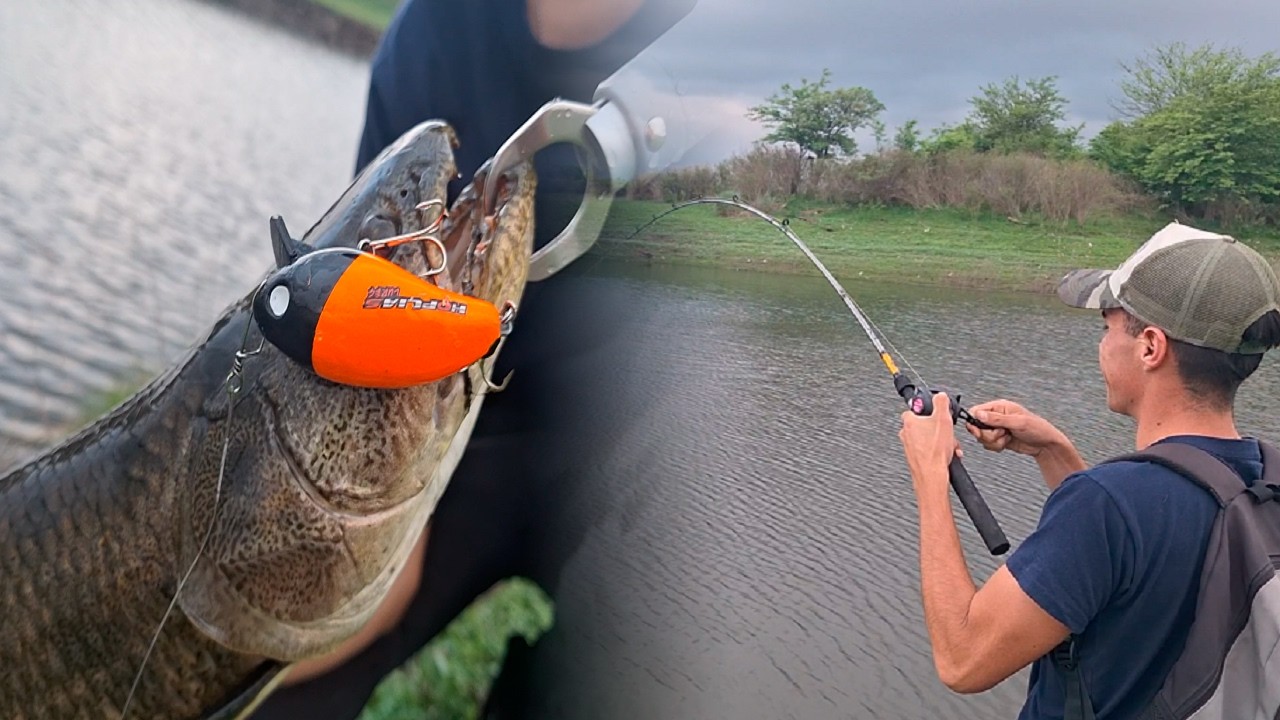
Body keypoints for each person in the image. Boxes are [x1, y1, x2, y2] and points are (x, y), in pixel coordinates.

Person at [898, 221, 1280, 718]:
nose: (1101, 345)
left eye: (1107, 327)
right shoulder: (1263, 480)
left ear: (1150, 347)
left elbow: (963, 658)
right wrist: (1054, 452)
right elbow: (1135, 557)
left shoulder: (1108, 505)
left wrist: (931, 474)